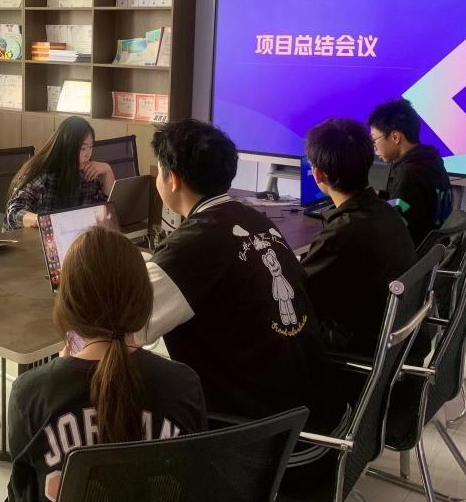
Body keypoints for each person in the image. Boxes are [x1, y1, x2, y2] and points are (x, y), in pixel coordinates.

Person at [137, 119, 345, 434]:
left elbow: (132, 325)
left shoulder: (196, 243)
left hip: (268, 436)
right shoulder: (253, 218)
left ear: (173, 179)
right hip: (319, 413)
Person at [7, 226, 206, 502]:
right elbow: (197, 480)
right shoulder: (183, 384)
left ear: (67, 303)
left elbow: (22, 492)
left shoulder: (31, 393)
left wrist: (57, 377)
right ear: (143, 300)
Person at [300, 118, 421, 360]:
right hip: (397, 347)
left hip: (360, 352)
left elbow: (297, 293)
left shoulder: (342, 233)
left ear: (318, 174)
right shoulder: (386, 211)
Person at [367, 98, 453, 248]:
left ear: (395, 137)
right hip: (433, 250)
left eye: (375, 140)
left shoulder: (408, 174)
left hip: (414, 254)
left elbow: (395, 232)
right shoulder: (432, 160)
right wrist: (381, 196)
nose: (374, 147)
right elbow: (416, 203)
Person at [4, 116, 114, 230]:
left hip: (72, 234)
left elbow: (104, 210)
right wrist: (42, 220)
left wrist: (107, 170)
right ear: (67, 148)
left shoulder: (87, 171)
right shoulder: (43, 172)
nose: (88, 154)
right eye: (83, 148)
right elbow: (14, 212)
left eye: (91, 147)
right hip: (33, 235)